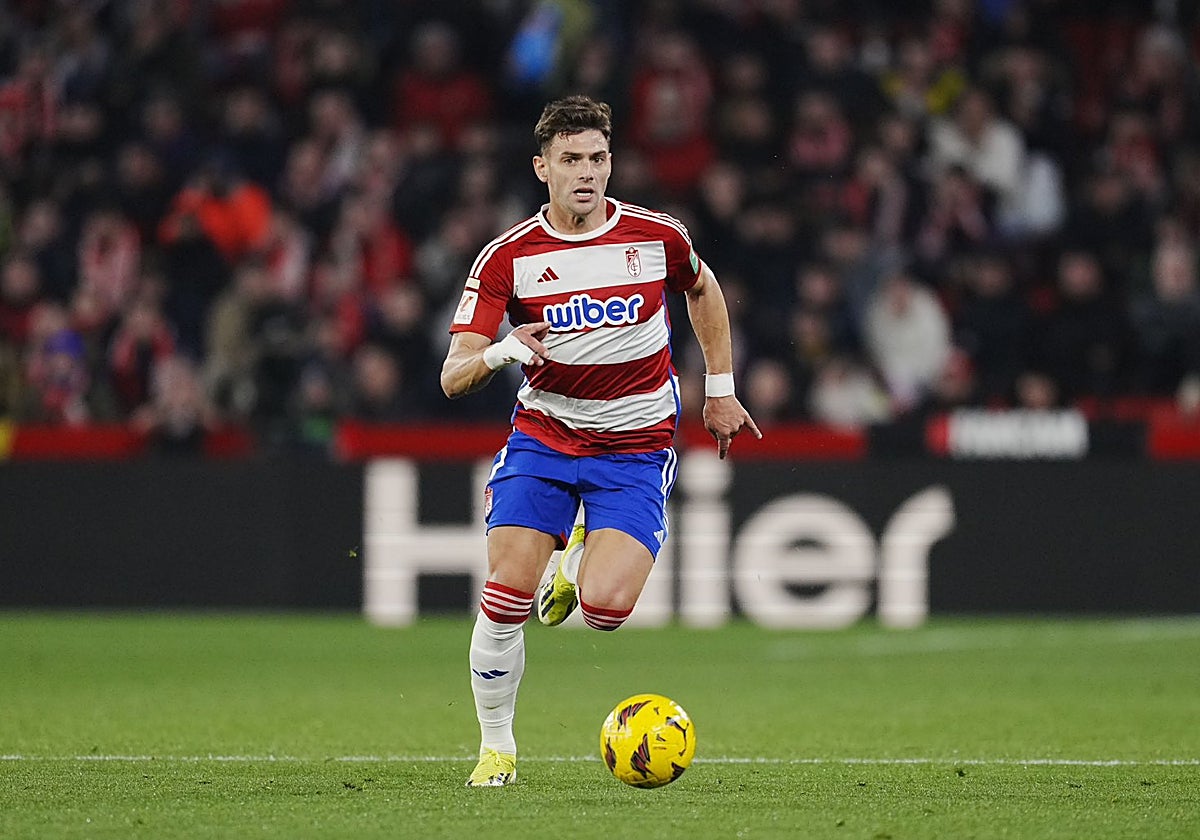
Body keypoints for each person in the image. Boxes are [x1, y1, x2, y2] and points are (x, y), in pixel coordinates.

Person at [440, 95, 760, 787]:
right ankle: (498, 748)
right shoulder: (509, 258)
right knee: (504, 595)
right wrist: (501, 353)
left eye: (597, 159)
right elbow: (453, 374)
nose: (586, 173)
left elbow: (703, 293)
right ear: (541, 167)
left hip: (636, 443)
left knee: (607, 612)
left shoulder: (656, 236)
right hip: (546, 434)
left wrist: (723, 388)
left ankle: (576, 550)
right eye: (570, 160)